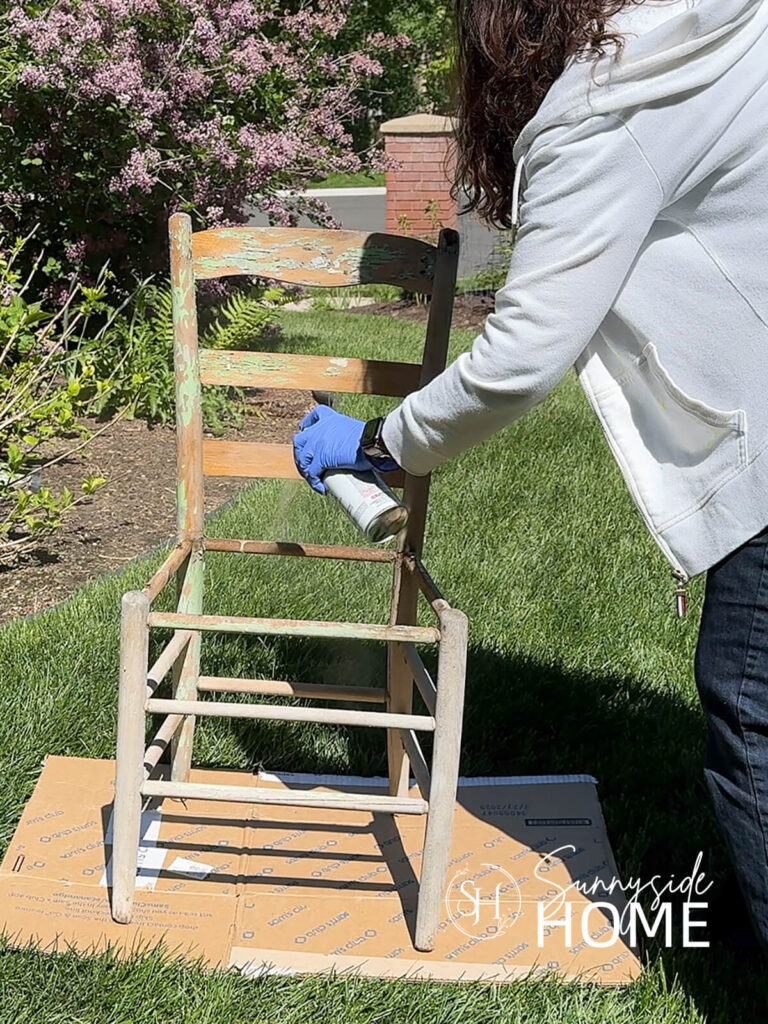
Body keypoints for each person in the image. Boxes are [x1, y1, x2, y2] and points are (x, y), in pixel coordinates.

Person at [292, 0, 768, 950]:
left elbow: (518, 358)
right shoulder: (732, 24)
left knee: (752, 717)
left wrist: (378, 442)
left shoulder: (607, 102)